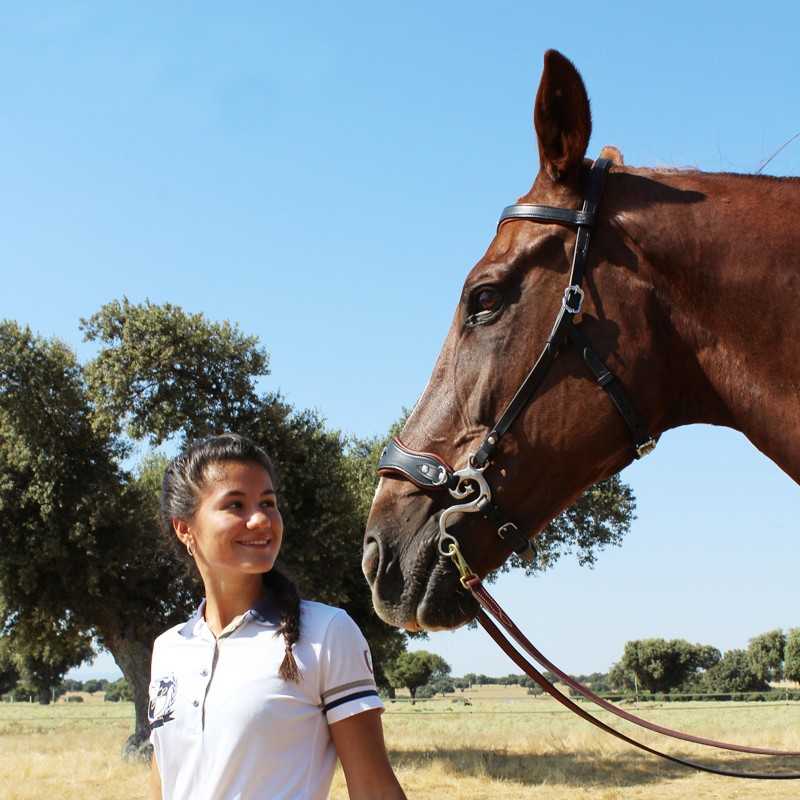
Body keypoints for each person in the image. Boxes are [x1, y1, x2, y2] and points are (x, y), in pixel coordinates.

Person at [148, 433, 406, 800]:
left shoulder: (327, 633)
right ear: (184, 528)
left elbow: (373, 788)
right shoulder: (168, 649)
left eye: (268, 503)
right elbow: (165, 784)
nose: (260, 520)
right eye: (235, 505)